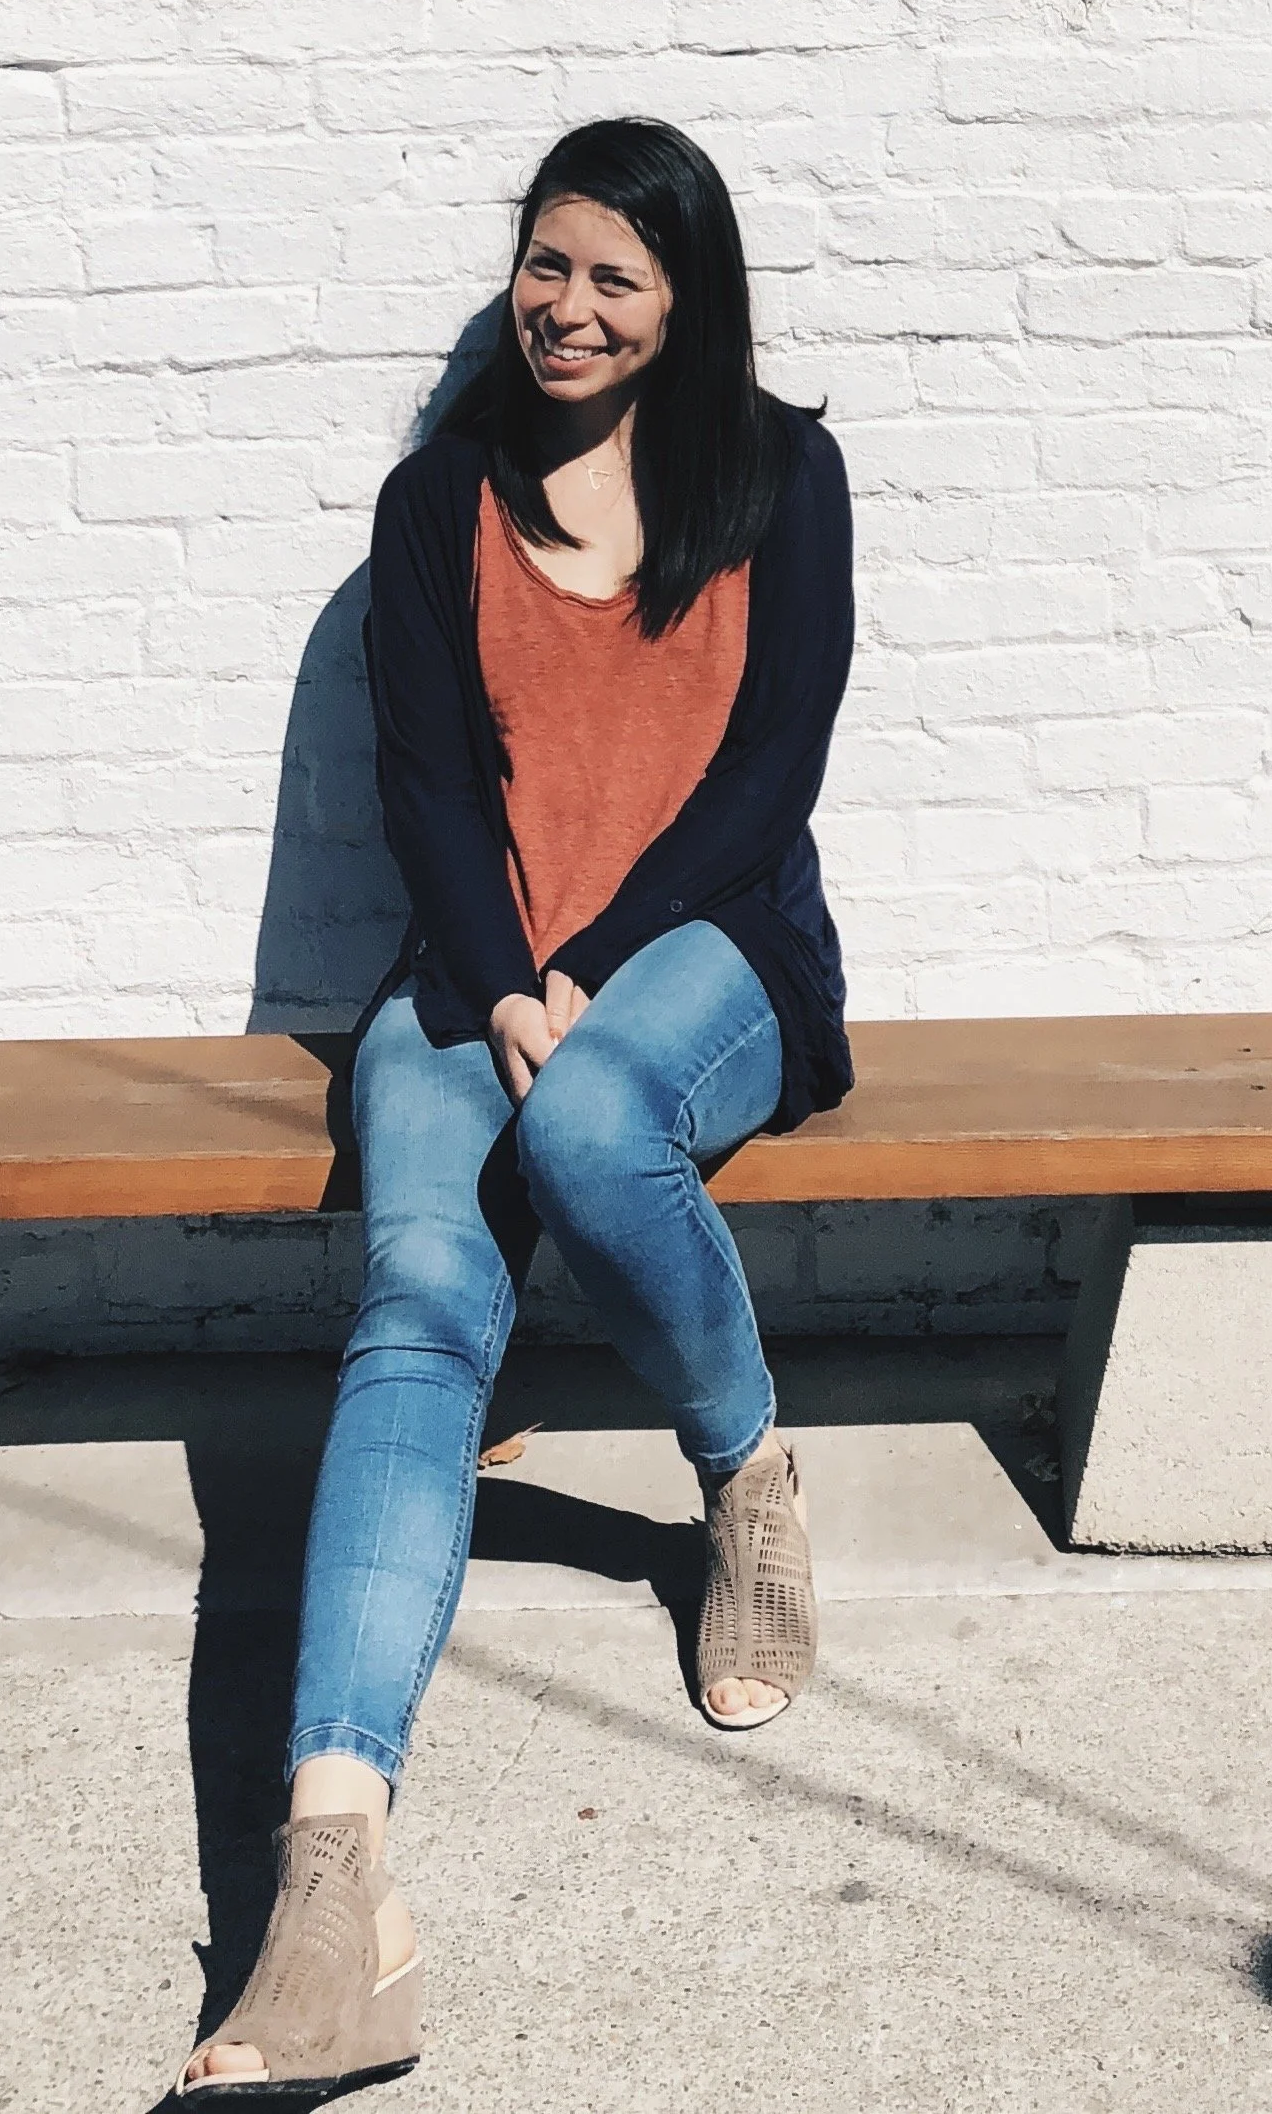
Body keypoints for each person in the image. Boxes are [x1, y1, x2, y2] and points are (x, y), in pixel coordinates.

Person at [178, 118, 854, 2097]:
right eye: (544, 266)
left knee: (576, 1132)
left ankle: (745, 1482)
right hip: (471, 964)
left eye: (611, 279)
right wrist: (492, 976)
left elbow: (764, 779)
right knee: (414, 1309)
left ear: (681, 302)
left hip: (710, 951)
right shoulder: (436, 497)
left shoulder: (780, 478)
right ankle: (329, 1885)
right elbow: (423, 792)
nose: (565, 307)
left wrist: (584, 972)